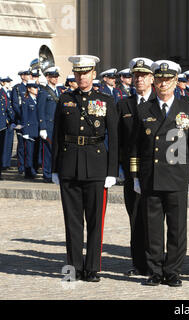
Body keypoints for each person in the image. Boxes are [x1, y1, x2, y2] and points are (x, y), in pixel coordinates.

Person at [130, 60, 189, 287]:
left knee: (177, 228)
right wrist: (135, 176)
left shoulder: (187, 109)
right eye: (159, 80)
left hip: (177, 176)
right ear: (154, 81)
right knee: (153, 228)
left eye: (167, 80)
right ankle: (155, 270)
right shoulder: (143, 110)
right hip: (151, 176)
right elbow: (135, 147)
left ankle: (173, 271)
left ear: (175, 82)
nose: (163, 84)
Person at [51, 55, 118, 282]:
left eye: (85, 73)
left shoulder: (105, 100)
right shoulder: (65, 99)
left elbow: (114, 138)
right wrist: (54, 168)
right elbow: (57, 134)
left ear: (93, 74)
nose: (81, 77)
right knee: (72, 221)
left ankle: (92, 268)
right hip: (69, 164)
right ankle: (73, 267)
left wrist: (112, 171)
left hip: (97, 165)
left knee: (95, 220)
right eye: (78, 73)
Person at [116, 57, 155, 277]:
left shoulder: (159, 103)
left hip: (156, 170)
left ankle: (154, 262)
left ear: (151, 78)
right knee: (136, 217)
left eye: (143, 75)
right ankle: (139, 263)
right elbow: (117, 139)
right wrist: (117, 169)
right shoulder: (124, 105)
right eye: (136, 75)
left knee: (154, 218)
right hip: (131, 172)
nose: (139, 79)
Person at [37, 66, 64, 183]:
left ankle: (55, 172)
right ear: (48, 77)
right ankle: (47, 174)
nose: (56, 79)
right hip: (48, 126)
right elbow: (40, 110)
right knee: (48, 151)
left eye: (57, 76)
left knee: (57, 151)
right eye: (53, 76)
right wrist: (42, 127)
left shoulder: (58, 91)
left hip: (57, 126)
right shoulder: (43, 92)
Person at [11, 69, 32, 175]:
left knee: (30, 145)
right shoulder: (18, 88)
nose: (29, 76)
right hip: (21, 120)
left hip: (31, 121)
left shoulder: (32, 87)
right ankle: (21, 167)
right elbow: (15, 104)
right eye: (27, 74)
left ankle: (29, 166)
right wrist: (23, 116)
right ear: (22, 76)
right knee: (21, 146)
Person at [20, 80, 40, 179]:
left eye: (37, 87)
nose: (36, 89)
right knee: (29, 152)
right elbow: (24, 116)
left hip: (36, 130)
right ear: (29, 89)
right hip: (29, 130)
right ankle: (28, 171)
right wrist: (25, 131)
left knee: (35, 152)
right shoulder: (26, 100)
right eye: (34, 87)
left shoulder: (37, 100)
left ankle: (33, 169)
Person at [0, 76, 14, 179]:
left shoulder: (7, 93)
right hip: (3, 123)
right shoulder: (2, 93)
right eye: (7, 82)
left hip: (6, 123)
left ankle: (4, 165)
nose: (9, 83)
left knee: (5, 146)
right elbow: (5, 108)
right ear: (2, 83)